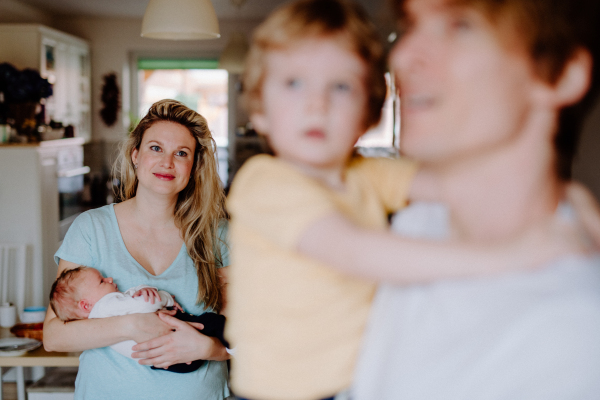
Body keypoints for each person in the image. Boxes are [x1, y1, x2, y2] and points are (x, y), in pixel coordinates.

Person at [225, 1, 580, 399]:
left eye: (340, 86)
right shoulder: (265, 182)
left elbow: (455, 185)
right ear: (259, 112)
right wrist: (512, 253)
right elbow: (356, 252)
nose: (316, 104)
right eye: (293, 83)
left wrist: (571, 201)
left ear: (368, 114)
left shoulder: (364, 173)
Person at [352, 0, 600, 398]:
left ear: (563, 76)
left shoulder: (573, 332)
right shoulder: (418, 223)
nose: (401, 54)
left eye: (459, 25)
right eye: (412, 24)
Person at [43, 99, 231, 399]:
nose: (167, 162)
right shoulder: (91, 229)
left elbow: (250, 330)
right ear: (135, 155)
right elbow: (54, 336)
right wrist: (132, 324)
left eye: (181, 153)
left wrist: (213, 348)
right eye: (155, 148)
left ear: (193, 166)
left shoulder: (217, 234)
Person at [48, 266, 228, 373]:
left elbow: (134, 298)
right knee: (214, 323)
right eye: (102, 281)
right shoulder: (106, 305)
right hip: (178, 336)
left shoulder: (100, 318)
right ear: (86, 306)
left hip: (165, 361)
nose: (110, 278)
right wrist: (165, 298)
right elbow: (147, 305)